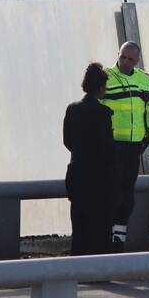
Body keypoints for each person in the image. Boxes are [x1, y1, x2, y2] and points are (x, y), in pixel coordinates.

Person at [102, 41, 149, 249]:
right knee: (110, 193)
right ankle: (107, 236)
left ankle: (118, 238)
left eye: (130, 59)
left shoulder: (143, 80)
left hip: (133, 148)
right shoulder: (106, 77)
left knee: (127, 195)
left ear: (137, 61)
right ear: (118, 54)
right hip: (110, 148)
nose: (125, 62)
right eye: (122, 57)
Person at [63, 63, 114, 256]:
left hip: (76, 173)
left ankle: (78, 263)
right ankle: (99, 265)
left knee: (79, 224)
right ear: (100, 88)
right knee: (100, 225)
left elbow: (67, 141)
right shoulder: (104, 113)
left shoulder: (72, 110)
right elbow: (108, 148)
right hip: (99, 177)